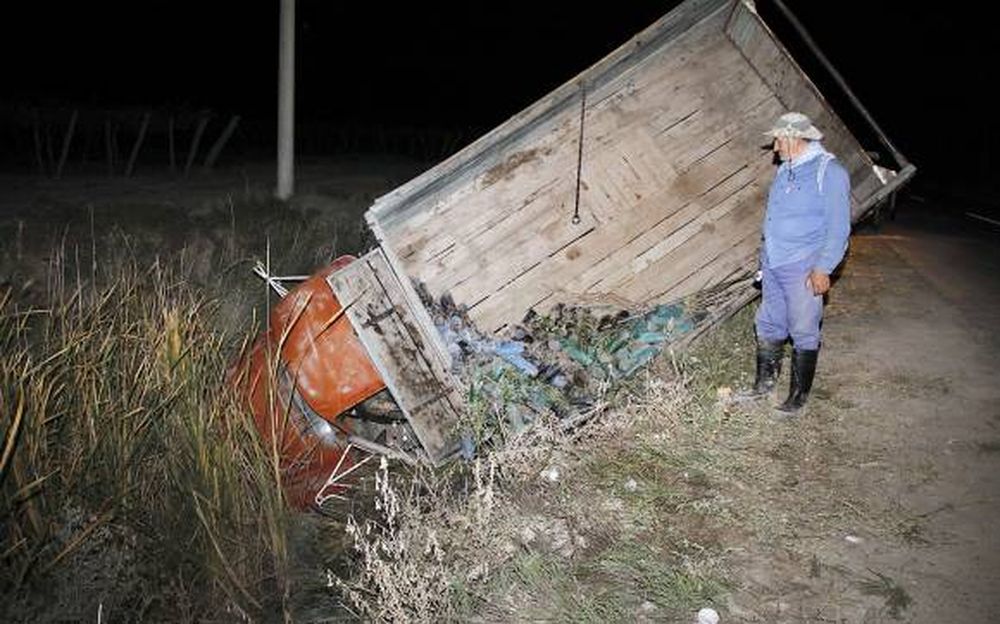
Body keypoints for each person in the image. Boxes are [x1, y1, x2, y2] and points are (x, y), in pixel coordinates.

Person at [743, 111, 851, 414]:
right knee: (768, 322)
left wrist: (823, 268)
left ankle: (798, 398)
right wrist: (765, 259)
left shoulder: (829, 172)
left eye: (779, 139)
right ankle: (763, 387)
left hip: (804, 265)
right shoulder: (787, 169)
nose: (775, 147)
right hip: (774, 262)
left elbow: (839, 227)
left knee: (803, 328)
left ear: (795, 137)